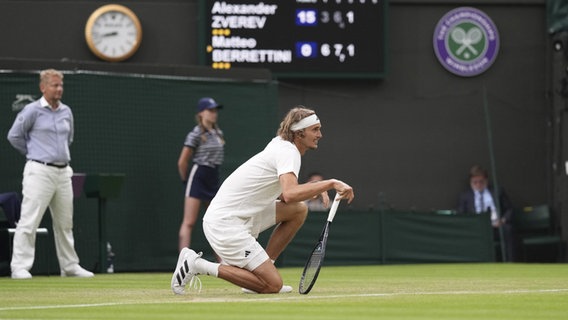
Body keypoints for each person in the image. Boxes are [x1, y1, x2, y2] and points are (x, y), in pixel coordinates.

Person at [170, 106, 354, 294]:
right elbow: (290, 193)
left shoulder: (280, 144)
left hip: (239, 217)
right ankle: (197, 264)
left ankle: (264, 270)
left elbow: (285, 195)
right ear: (299, 133)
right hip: (225, 225)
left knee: (298, 209)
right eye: (315, 129)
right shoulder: (288, 152)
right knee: (273, 285)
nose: (320, 134)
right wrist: (330, 183)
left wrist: (312, 189)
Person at [7, 69, 94, 279]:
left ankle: (70, 266)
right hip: (39, 170)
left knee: (65, 223)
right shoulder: (31, 110)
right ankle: (20, 267)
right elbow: (14, 136)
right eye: (55, 85)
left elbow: (69, 139)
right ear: (43, 87)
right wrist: (34, 153)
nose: (59, 89)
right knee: (29, 220)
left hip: (64, 172)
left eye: (61, 85)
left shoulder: (66, 112)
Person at [177, 97, 224, 251]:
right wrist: (186, 182)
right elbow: (182, 162)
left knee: (215, 223)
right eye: (210, 110)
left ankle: (223, 262)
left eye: (215, 110)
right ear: (201, 113)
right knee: (189, 222)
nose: (213, 113)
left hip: (213, 177)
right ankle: (182, 262)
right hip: (198, 176)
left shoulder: (218, 133)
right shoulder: (195, 134)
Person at [457, 164, 516, 262]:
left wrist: (502, 220)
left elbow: (510, 209)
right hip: (476, 229)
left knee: (508, 230)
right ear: (470, 182)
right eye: (475, 182)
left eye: (481, 182)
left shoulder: (497, 191)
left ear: (486, 180)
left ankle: (511, 263)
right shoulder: (465, 196)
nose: (478, 185)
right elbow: (461, 215)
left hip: (496, 227)